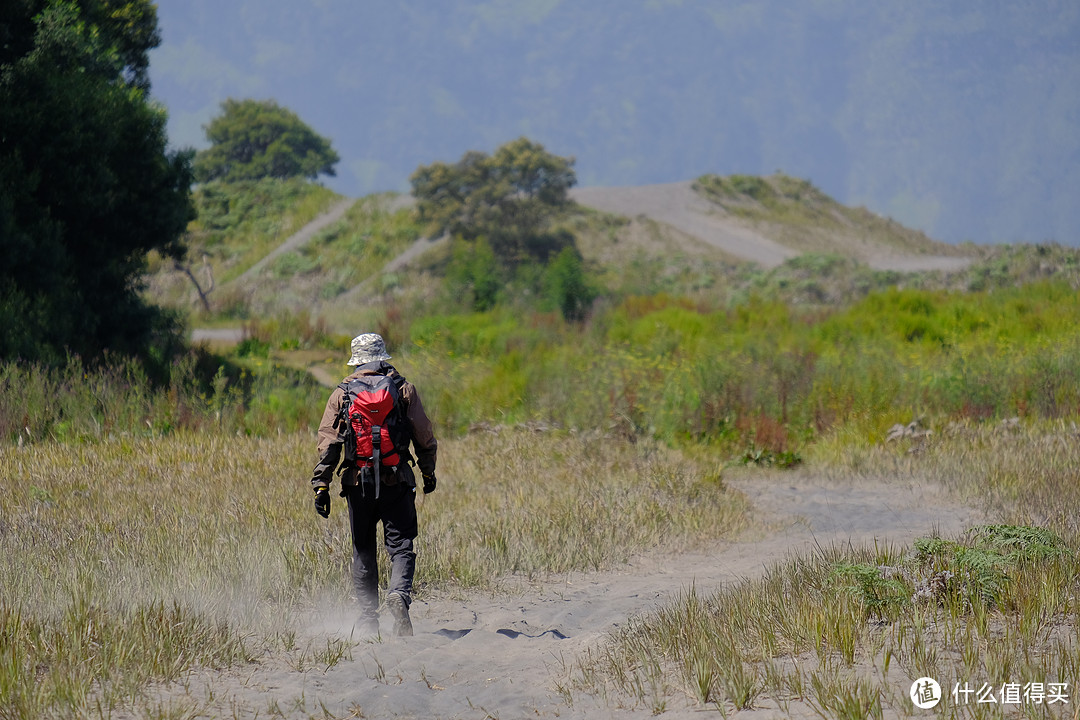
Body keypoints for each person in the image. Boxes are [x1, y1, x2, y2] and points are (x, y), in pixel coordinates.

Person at [309, 333, 438, 637]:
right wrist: (428, 472)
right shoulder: (403, 389)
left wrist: (321, 485)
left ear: (356, 360)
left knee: (363, 550)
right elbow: (424, 435)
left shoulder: (342, 394)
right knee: (402, 546)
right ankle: (398, 594)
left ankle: (368, 620)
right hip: (397, 479)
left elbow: (329, 443)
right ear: (383, 356)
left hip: (357, 484)